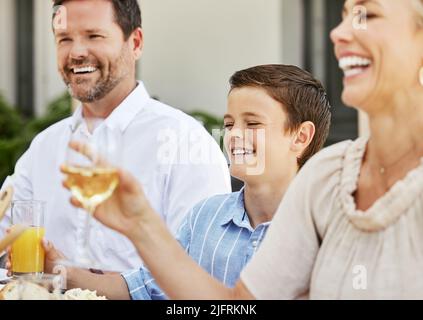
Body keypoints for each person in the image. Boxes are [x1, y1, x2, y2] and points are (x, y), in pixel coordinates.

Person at [63, 0, 423, 299]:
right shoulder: (326, 178)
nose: (337, 32)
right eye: (343, 14)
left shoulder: (325, 193)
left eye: (366, 14)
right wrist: (140, 224)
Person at [45, 64, 330, 299]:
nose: (234, 135)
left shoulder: (324, 227)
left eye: (252, 124)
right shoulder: (204, 217)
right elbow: (141, 287)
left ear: (300, 137)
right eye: (229, 124)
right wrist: (59, 271)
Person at [0, 0, 231, 272]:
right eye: (64, 39)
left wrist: (74, 279)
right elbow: (5, 235)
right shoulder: (44, 146)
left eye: (93, 36)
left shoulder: (186, 142)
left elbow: (199, 275)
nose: (76, 52)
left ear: (135, 43)